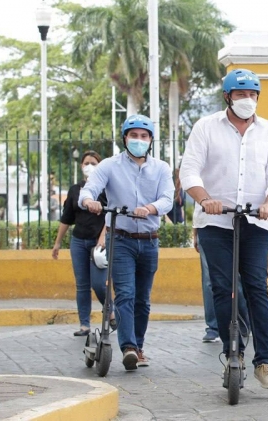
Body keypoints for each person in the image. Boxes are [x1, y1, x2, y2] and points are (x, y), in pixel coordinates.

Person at [180, 69, 268, 390]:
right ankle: (233, 352)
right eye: (241, 95)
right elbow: (189, 171)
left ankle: (264, 361)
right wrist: (205, 199)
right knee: (223, 286)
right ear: (227, 97)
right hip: (215, 222)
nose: (247, 100)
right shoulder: (206, 128)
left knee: (257, 286)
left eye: (253, 95)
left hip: (255, 221)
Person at [79, 115, 174, 371]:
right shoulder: (109, 166)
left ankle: (139, 346)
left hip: (150, 240)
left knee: (143, 299)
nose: (139, 140)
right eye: (134, 135)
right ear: (125, 138)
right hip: (120, 239)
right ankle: (128, 347)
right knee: (126, 294)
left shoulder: (162, 169)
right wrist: (90, 202)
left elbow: (168, 199)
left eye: (144, 136)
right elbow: (89, 189)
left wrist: (151, 208)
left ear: (151, 140)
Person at [52, 150, 114, 337]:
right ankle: (84, 325)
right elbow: (66, 218)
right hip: (79, 241)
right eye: (86, 163)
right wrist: (57, 243)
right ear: (81, 166)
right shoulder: (75, 190)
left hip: (99, 244)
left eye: (94, 163)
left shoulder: (106, 189)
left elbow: (110, 215)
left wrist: (103, 238)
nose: (90, 166)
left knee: (98, 283)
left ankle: (110, 311)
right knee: (82, 284)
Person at [194, 227, 250, 344]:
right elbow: (197, 209)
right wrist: (195, 232)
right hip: (207, 228)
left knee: (236, 280)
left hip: (236, 227)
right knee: (210, 280)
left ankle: (244, 320)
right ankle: (213, 328)